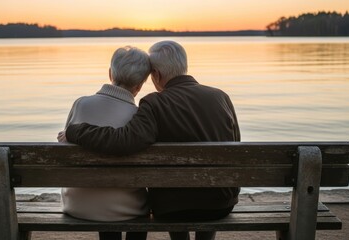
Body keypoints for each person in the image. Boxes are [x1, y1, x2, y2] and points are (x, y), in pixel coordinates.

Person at [65, 40, 241, 240]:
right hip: (222, 204)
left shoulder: (154, 103)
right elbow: (235, 142)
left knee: (174, 196)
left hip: (173, 209)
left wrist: (75, 131)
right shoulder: (221, 97)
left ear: (156, 75)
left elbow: (126, 140)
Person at [57, 46, 151, 240]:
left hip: (78, 205)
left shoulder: (81, 104)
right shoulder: (138, 118)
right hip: (129, 208)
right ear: (141, 85)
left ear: (110, 74)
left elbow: (65, 151)